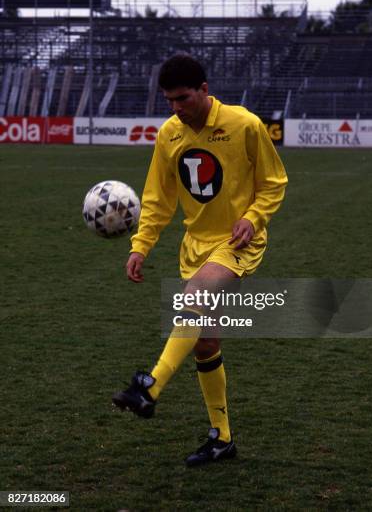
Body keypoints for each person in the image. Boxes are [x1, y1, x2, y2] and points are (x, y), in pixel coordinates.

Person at [112, 54, 288, 467]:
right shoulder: (169, 135)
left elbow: (274, 183)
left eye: (184, 98)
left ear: (205, 91)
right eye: (169, 100)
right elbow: (157, 200)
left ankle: (149, 387)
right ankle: (222, 438)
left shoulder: (244, 124)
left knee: (196, 293)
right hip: (195, 246)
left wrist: (252, 217)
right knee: (205, 342)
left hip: (239, 241)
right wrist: (140, 246)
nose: (176, 107)